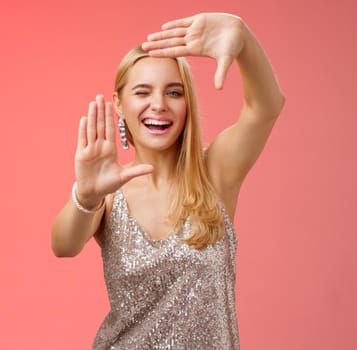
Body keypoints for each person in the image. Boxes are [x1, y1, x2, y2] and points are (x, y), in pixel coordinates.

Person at [51, 12, 284, 349]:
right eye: (142, 92)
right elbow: (63, 245)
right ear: (120, 104)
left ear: (188, 103)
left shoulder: (215, 173)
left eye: (174, 93)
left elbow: (266, 107)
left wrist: (243, 38)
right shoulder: (111, 195)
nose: (158, 105)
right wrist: (86, 197)